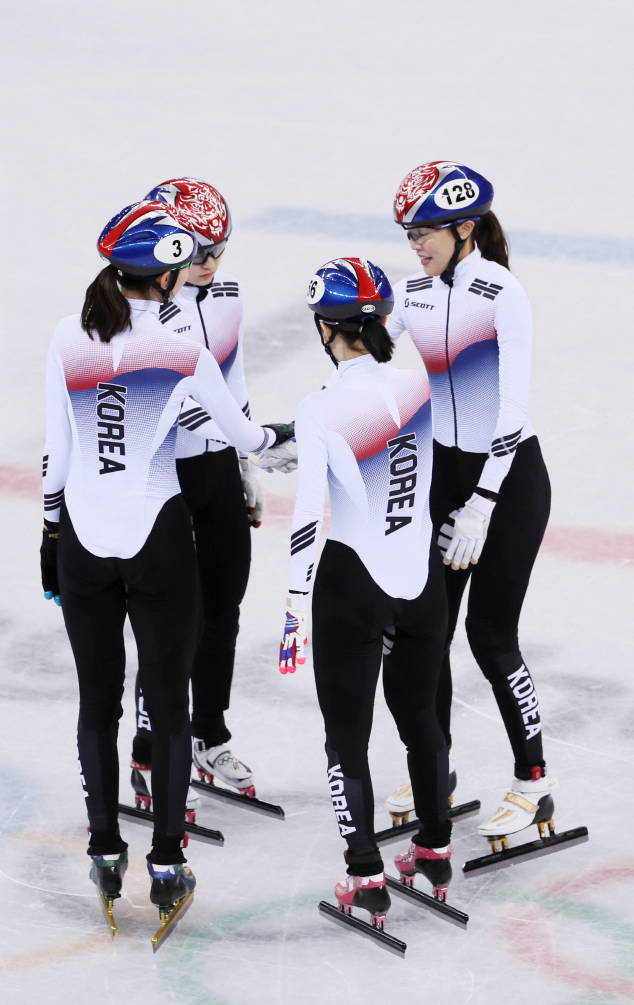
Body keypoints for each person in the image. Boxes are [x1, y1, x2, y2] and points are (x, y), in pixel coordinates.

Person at [40, 198, 294, 920]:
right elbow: (242, 434)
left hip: (85, 546)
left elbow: (58, 452)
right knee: (170, 708)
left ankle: (104, 848)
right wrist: (294, 431)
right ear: (168, 277)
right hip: (157, 542)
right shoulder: (184, 343)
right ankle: (167, 861)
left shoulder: (66, 334)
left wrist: (50, 539)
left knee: (98, 704)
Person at [385, 161, 556, 846]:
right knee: (425, 632)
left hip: (507, 484)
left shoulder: (502, 293)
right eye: (408, 232)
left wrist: (484, 501)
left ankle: (535, 781)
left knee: (491, 638)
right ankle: (437, 770)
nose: (416, 243)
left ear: (465, 227)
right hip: (443, 475)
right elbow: (369, 347)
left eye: (426, 230)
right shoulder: (416, 289)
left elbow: (511, 411)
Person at [279, 258, 453, 930]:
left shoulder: (319, 406)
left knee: (346, 737)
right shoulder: (417, 385)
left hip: (353, 584)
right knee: (422, 723)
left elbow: (305, 514)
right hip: (421, 583)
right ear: (381, 322)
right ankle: (434, 851)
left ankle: (365, 874)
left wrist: (296, 601)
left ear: (328, 329)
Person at [125, 178, 295, 817]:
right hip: (165, 477)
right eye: (197, 250)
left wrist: (246, 462)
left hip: (218, 468)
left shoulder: (227, 293)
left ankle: (209, 734)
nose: (209, 264)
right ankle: (147, 748)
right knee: (169, 622)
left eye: (219, 249)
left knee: (223, 605)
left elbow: (235, 378)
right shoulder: (137, 309)